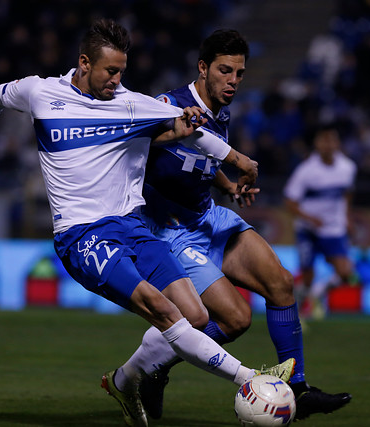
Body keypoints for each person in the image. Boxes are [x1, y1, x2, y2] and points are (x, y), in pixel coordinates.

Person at [0, 19, 294, 427]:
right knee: (161, 309)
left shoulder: (131, 102)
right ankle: (250, 380)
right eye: (111, 71)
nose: (117, 80)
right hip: (82, 235)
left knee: (195, 316)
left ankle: (124, 382)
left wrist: (237, 161)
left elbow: (189, 130)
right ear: (85, 63)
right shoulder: (42, 92)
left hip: (135, 227)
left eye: (122, 71)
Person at [111, 29, 351, 422]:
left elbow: (196, 157)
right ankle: (151, 370)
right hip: (168, 229)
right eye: (225, 71)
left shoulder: (221, 107)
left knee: (281, 282)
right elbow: (144, 140)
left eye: (239, 73)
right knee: (236, 319)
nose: (233, 81)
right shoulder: (169, 104)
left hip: (208, 215)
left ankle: (299, 389)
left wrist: (227, 185)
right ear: (203, 68)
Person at [283, 122, 358, 319]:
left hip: (333, 227)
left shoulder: (348, 168)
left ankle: (317, 294)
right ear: (317, 143)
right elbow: (290, 202)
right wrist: (310, 218)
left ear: (338, 143)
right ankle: (298, 310)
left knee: (345, 273)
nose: (329, 144)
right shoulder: (306, 170)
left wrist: (347, 218)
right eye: (324, 140)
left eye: (332, 139)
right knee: (307, 277)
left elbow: (347, 194)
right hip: (307, 229)